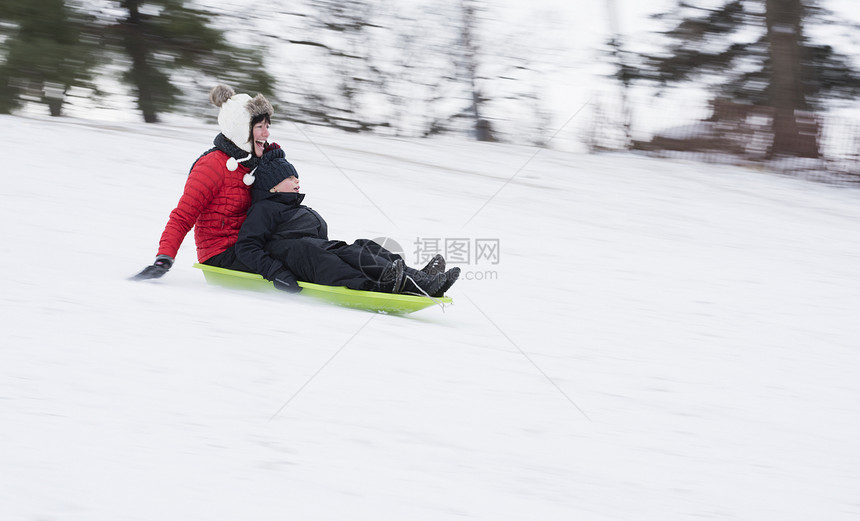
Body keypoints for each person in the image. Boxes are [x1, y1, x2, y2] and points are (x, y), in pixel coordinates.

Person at [234, 148, 460, 297]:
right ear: (273, 186)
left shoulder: (292, 206)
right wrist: (276, 273)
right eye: (290, 178)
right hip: (298, 255)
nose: (297, 181)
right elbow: (246, 246)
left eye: (297, 177)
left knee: (361, 247)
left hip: (313, 249)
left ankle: (418, 277)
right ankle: (380, 285)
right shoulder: (265, 208)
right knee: (326, 258)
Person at [133, 85, 276, 280]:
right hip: (221, 255)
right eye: (260, 127)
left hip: (250, 244)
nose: (266, 134)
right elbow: (183, 215)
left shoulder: (256, 162)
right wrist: (163, 259)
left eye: (267, 126)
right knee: (289, 254)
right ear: (241, 130)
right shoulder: (212, 166)